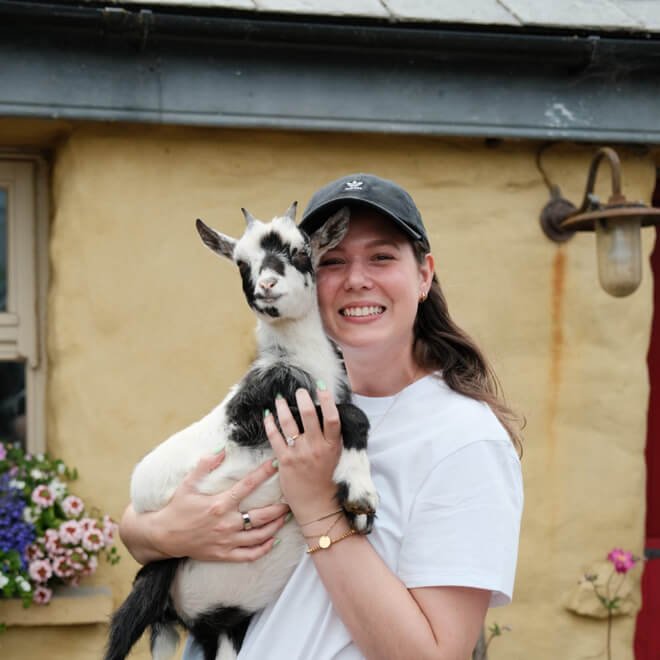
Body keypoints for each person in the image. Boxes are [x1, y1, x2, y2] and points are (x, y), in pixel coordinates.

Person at [119, 173, 524, 659]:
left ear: (424, 274)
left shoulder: (464, 439)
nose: (356, 279)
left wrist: (317, 507)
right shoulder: (290, 395)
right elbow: (154, 511)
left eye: (382, 256)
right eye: (331, 260)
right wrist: (158, 534)